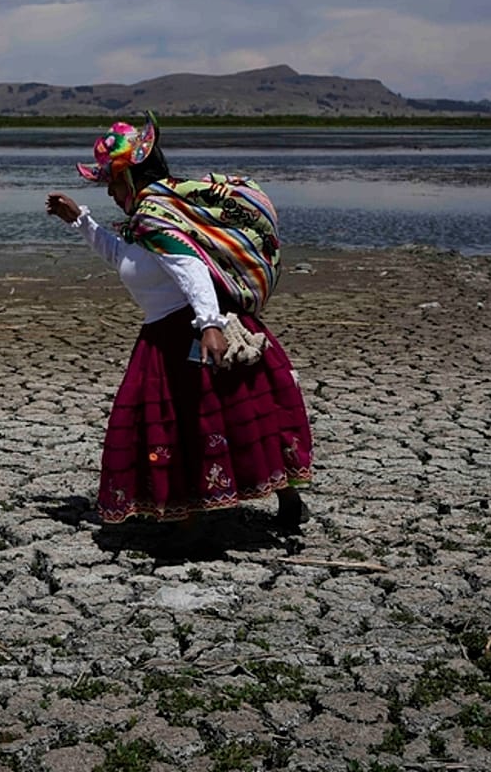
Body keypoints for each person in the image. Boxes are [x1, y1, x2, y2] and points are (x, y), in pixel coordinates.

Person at [45, 111, 313, 539]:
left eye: (113, 183)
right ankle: (278, 499)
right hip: (165, 333)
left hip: (182, 337)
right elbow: (126, 259)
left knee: (188, 426)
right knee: (244, 418)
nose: (111, 193)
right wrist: (80, 221)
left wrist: (209, 325)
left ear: (130, 178)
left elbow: (190, 268)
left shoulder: (154, 216)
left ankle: (189, 523)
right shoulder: (147, 220)